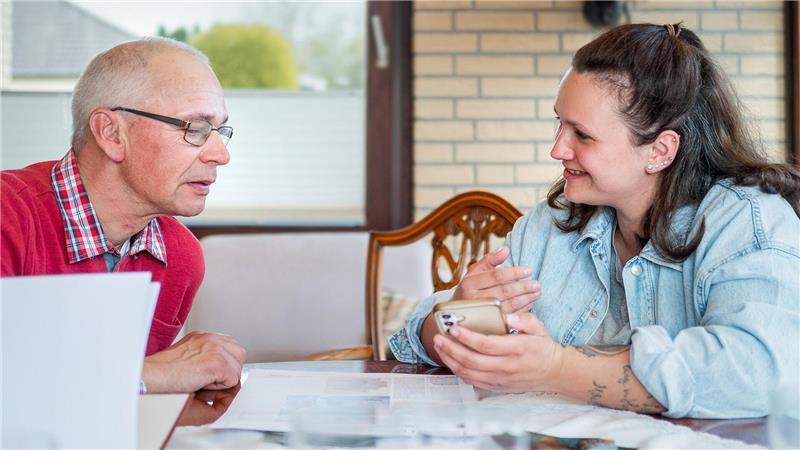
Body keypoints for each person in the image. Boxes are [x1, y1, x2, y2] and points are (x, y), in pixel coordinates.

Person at [390, 23, 800, 419]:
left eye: (581, 135)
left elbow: (759, 372)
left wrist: (557, 369)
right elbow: (413, 334)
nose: (557, 150)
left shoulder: (749, 221)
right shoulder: (550, 226)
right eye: (558, 124)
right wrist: (455, 319)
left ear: (659, 150)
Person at [1, 37, 245, 393]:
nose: (221, 155)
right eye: (195, 129)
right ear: (111, 133)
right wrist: (152, 373)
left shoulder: (181, 257)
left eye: (220, 131)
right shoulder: (8, 216)